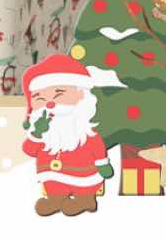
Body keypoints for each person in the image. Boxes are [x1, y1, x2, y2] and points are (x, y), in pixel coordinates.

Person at [20, 53, 113, 215]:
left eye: (59, 95)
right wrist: (37, 133)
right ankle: (55, 200)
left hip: (83, 176)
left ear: (81, 94)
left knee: (84, 189)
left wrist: (102, 164)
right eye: (40, 99)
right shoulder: (43, 130)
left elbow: (97, 146)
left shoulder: (84, 131)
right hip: (52, 175)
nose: (50, 104)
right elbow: (29, 149)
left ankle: (85, 200)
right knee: (54, 187)